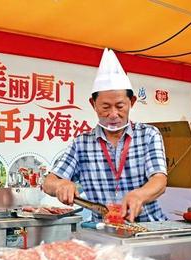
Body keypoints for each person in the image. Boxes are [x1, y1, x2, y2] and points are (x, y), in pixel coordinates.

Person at [43, 49, 168, 222]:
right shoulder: (82, 144)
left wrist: (140, 195)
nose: (113, 114)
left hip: (148, 228)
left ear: (131, 102)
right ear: (93, 104)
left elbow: (159, 180)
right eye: (105, 107)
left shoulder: (148, 135)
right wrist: (60, 184)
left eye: (120, 106)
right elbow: (49, 181)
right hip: (104, 230)